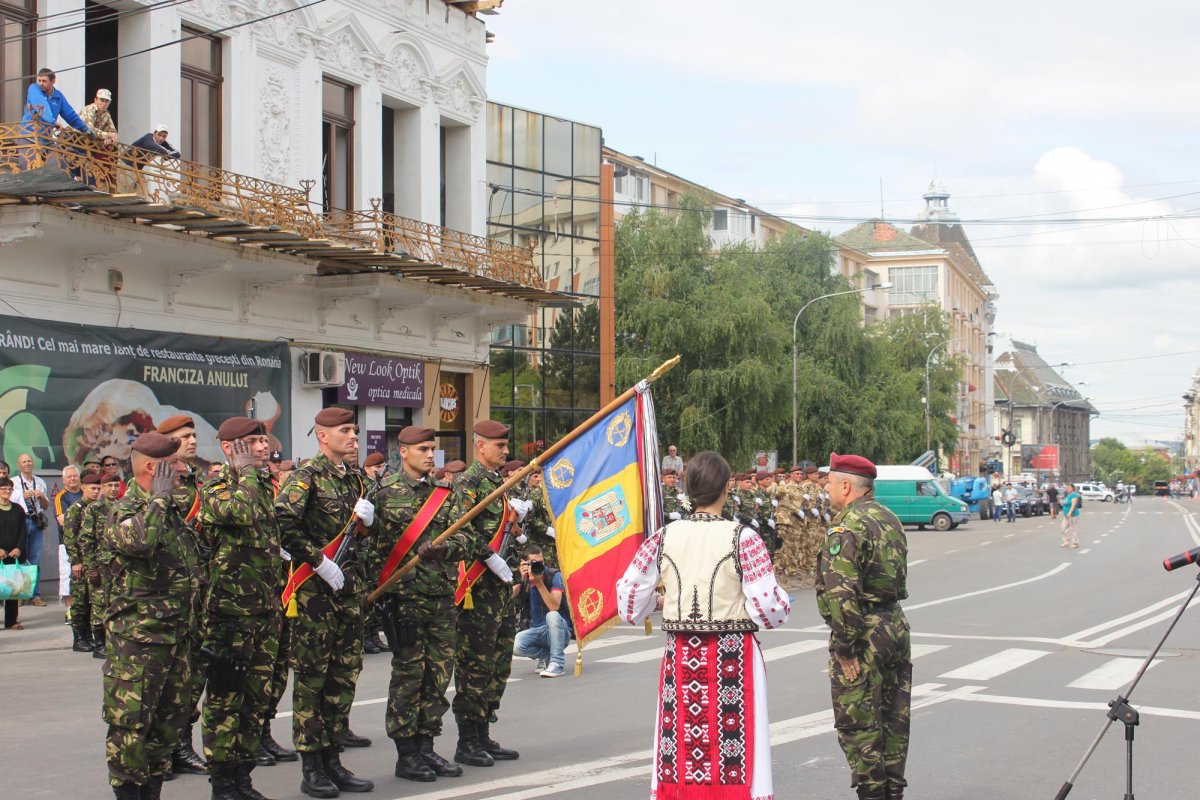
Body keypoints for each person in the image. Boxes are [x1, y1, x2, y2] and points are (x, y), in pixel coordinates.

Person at [616, 450, 790, 800]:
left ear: (686, 487)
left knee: (679, 742)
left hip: (681, 656)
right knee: (737, 747)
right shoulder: (744, 538)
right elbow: (770, 610)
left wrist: (660, 602)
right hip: (733, 659)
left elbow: (628, 602)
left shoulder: (663, 537)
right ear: (727, 487)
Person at [275, 407, 376, 797]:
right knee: (313, 681)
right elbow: (283, 525)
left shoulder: (354, 480)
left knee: (343, 677)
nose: (354, 436)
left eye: (354, 429)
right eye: (346, 431)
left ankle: (334, 758)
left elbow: (366, 533)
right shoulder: (306, 478)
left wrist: (368, 522)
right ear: (323, 436)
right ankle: (312, 765)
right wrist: (319, 562)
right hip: (315, 596)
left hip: (349, 593)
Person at [102, 432, 204, 800]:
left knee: (166, 728)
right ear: (152, 467)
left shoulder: (172, 508)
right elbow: (140, 542)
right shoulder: (124, 509)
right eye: (173, 464)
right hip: (139, 642)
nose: (180, 469)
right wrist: (159, 499)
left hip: (176, 638)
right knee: (130, 730)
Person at [369, 425, 468, 783]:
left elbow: (466, 538)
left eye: (433, 449)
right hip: (404, 599)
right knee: (409, 674)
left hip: (441, 595)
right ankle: (406, 753)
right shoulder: (382, 493)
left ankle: (427, 745)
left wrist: (445, 549)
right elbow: (370, 545)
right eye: (423, 449)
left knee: (438, 673)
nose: (430, 455)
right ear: (404, 452)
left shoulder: (445, 493)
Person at [199, 417, 284, 800]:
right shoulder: (216, 487)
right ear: (229, 448)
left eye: (263, 440)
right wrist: (248, 473)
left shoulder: (264, 486)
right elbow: (240, 513)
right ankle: (222, 781)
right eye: (252, 442)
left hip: (266, 610)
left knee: (256, 700)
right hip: (230, 614)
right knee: (225, 700)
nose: (262, 447)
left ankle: (243, 778)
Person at [818, 452, 911, 800]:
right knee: (893, 718)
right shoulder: (889, 518)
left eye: (829, 482)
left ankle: (873, 794)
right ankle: (893, 790)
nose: (826, 489)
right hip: (894, 626)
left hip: (864, 633)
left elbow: (841, 594)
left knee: (858, 724)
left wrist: (845, 648)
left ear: (846, 486)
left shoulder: (846, 526)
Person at [451, 420, 524, 767]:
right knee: (475, 665)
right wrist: (488, 556)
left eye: (505, 445)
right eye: (500, 446)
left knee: (499, 663)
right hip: (478, 588)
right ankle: (467, 739)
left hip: (502, 590)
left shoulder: (499, 482)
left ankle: (484, 731)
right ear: (481, 447)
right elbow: (459, 527)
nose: (506, 451)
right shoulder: (469, 482)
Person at [512, 544, 573, 678]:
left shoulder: (554, 575)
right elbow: (508, 597)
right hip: (538, 630)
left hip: (561, 630)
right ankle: (546, 656)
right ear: (524, 564)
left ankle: (557, 663)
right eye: (533, 563)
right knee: (515, 645)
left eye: (540, 562)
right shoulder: (525, 578)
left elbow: (554, 607)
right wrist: (520, 579)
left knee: (552, 615)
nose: (538, 566)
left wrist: (539, 584)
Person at [81, 471, 122, 659]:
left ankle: (114, 642)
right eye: (109, 486)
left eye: (116, 485)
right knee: (99, 604)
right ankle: (99, 644)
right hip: (100, 565)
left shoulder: (123, 506)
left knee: (117, 603)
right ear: (103, 488)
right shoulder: (95, 509)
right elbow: (86, 540)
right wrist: (91, 567)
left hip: (119, 564)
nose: (113, 489)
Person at [62, 470, 100, 651]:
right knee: (79, 601)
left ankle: (88, 636)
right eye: (93, 488)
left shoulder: (97, 508)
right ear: (83, 488)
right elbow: (69, 537)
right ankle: (78, 638)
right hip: (80, 563)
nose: (96, 492)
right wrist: (76, 560)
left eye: (98, 488)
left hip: (92, 561)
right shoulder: (75, 509)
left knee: (91, 601)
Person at [13, 453, 49, 605]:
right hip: (21, 521)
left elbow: (46, 507)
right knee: (20, 557)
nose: (27, 463)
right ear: (19, 465)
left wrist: (41, 497)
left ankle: (35, 595)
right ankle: (21, 593)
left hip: (36, 521)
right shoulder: (14, 482)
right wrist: (21, 495)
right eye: (24, 461)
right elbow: (9, 503)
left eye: (29, 460)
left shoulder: (40, 482)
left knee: (34, 559)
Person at [21, 68, 93, 135]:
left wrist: (85, 129)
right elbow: (42, 106)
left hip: (45, 138)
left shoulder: (58, 96)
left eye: (44, 81)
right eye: (39, 80)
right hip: (28, 136)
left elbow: (70, 115)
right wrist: (54, 122)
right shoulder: (34, 88)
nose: (40, 84)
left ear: (53, 81)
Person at [55, 464, 85, 622]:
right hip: (67, 543)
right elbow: (62, 520)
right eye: (69, 476)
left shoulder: (85, 493)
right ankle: (69, 611)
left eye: (75, 476)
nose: (73, 479)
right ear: (63, 480)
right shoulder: (61, 496)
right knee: (68, 576)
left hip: (86, 542)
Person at [0, 477, 28, 631]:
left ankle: (11, 621)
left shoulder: (18, 509)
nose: (7, 491)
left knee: (12, 589)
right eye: (3, 488)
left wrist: (19, 548)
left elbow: (23, 531)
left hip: (13, 554)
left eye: (9, 489)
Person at [1061, 483, 1081, 548]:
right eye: (1067, 488)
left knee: (1073, 529)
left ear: (1072, 488)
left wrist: (1070, 512)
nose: (1067, 489)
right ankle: (1066, 541)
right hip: (1066, 515)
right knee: (1063, 528)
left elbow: (1073, 505)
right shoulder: (1068, 495)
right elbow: (1065, 503)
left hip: (1073, 515)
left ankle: (1075, 543)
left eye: (1069, 487)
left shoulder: (1074, 495)